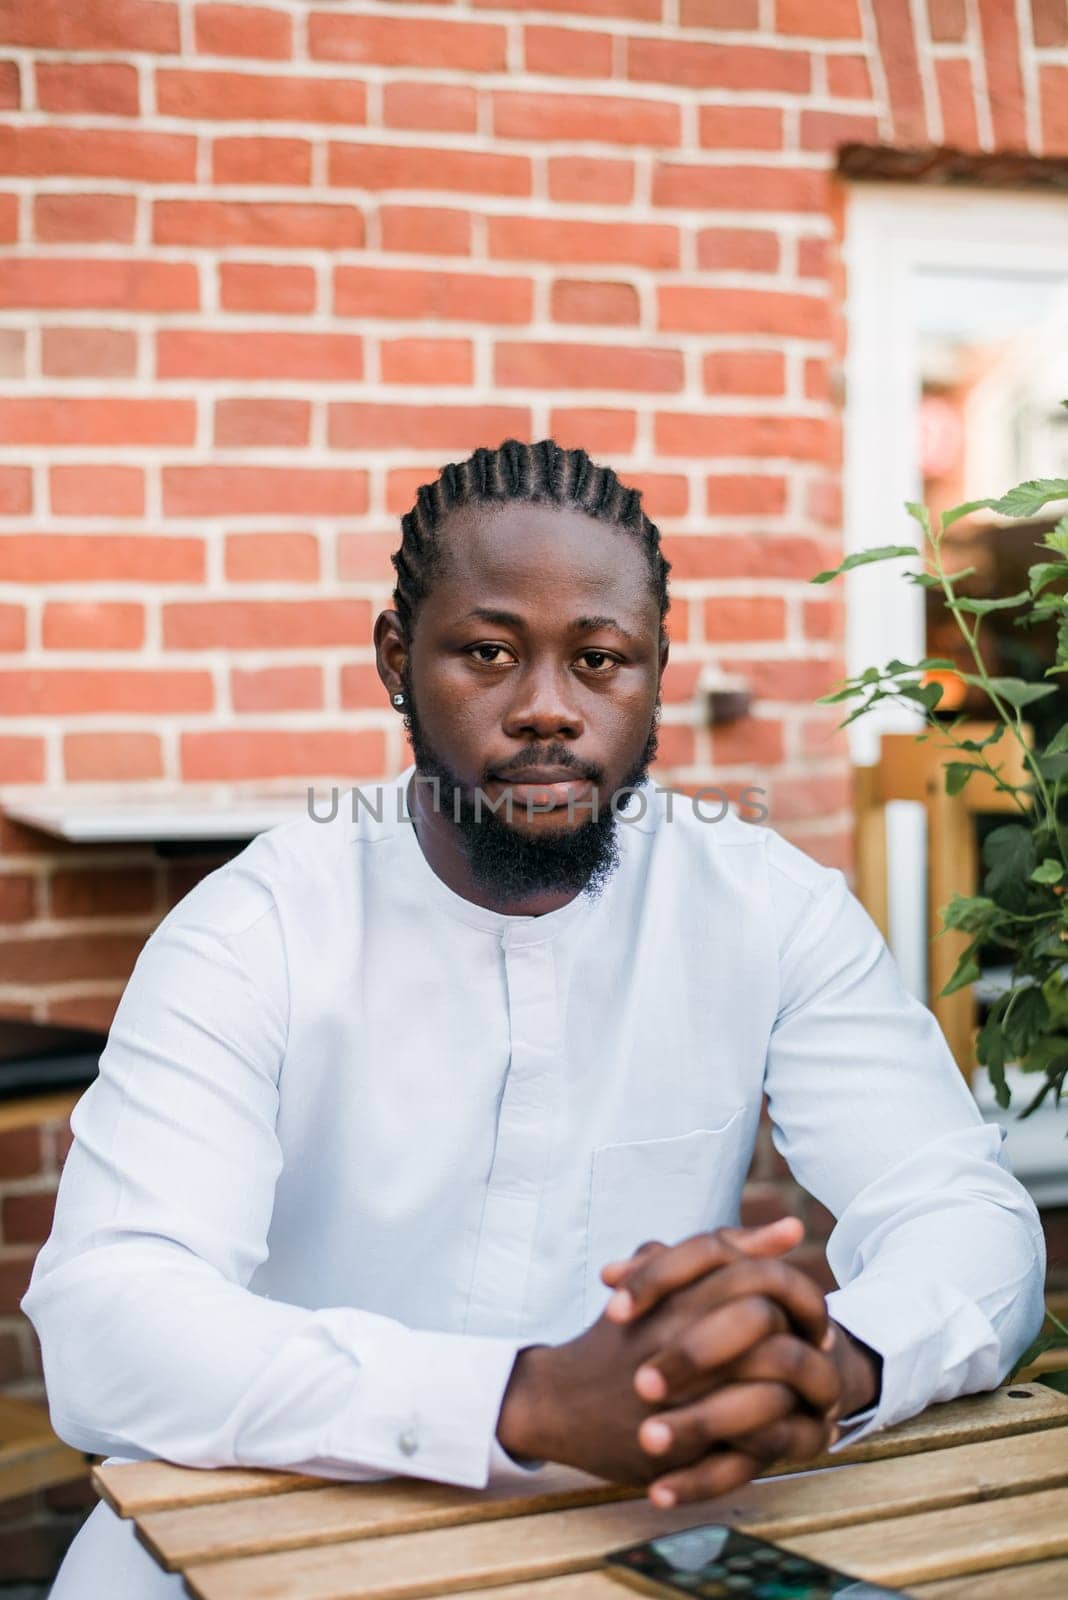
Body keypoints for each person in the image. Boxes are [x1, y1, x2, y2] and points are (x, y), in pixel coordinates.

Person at [25, 440, 1045, 1597]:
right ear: (397, 660)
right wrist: (528, 1398)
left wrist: (832, 1361)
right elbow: (109, 1323)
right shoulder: (253, 930)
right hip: (253, 1535)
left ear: (656, 674)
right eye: (490, 652)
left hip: (621, 1540)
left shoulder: (768, 908)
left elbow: (968, 1216)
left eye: (600, 659)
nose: (549, 709)